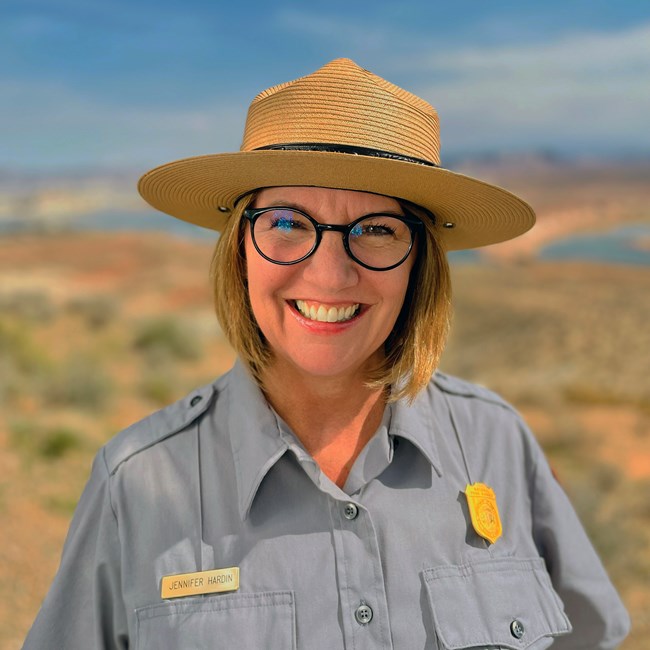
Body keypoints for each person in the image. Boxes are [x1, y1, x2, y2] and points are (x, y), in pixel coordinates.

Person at [24, 58, 629, 649]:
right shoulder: (136, 482)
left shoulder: (496, 440)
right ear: (240, 248)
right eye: (287, 221)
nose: (332, 276)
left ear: (420, 264)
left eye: (375, 229)